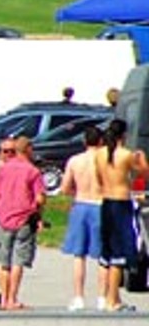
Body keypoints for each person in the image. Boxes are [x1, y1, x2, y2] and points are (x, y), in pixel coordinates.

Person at [0, 136, 45, 311]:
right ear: (28, 149)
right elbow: (40, 198)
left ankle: (4, 298)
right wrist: (38, 215)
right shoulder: (32, 171)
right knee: (18, 260)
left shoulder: (2, 170)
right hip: (24, 219)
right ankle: (12, 298)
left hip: (2, 218)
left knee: (2, 260)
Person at [93, 119, 147, 313]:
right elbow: (143, 174)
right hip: (121, 202)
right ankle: (111, 299)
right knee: (120, 252)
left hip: (106, 202)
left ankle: (113, 296)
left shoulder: (99, 154)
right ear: (123, 135)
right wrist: (142, 160)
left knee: (107, 252)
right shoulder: (126, 155)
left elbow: (99, 178)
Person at [59, 127, 105, 311]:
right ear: (100, 141)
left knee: (79, 255)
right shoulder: (103, 160)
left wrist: (75, 192)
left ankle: (78, 296)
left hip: (81, 203)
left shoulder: (75, 161)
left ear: (85, 141)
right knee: (104, 257)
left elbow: (64, 187)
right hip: (101, 204)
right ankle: (102, 296)